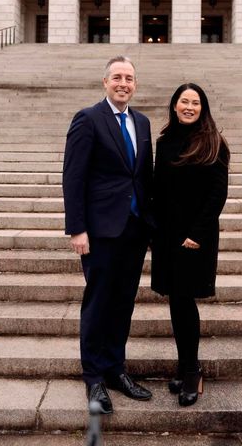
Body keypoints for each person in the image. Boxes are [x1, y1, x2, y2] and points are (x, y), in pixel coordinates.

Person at [63, 56, 154, 414]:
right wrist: (77, 228)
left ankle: (116, 370)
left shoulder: (142, 121)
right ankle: (94, 378)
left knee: (123, 303)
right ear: (105, 82)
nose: (123, 83)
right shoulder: (88, 118)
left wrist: (150, 223)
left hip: (134, 230)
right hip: (100, 231)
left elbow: (143, 177)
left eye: (129, 78)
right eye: (117, 77)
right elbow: (73, 176)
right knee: (99, 302)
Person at [151, 83, 230, 407]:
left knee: (184, 302)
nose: (189, 106)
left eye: (195, 102)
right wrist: (154, 230)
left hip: (195, 238)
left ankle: (192, 371)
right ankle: (186, 369)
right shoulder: (165, 142)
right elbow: (157, 188)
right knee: (176, 302)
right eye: (183, 101)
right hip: (167, 236)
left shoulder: (214, 143)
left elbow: (217, 194)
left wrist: (196, 234)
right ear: (174, 106)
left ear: (203, 107)